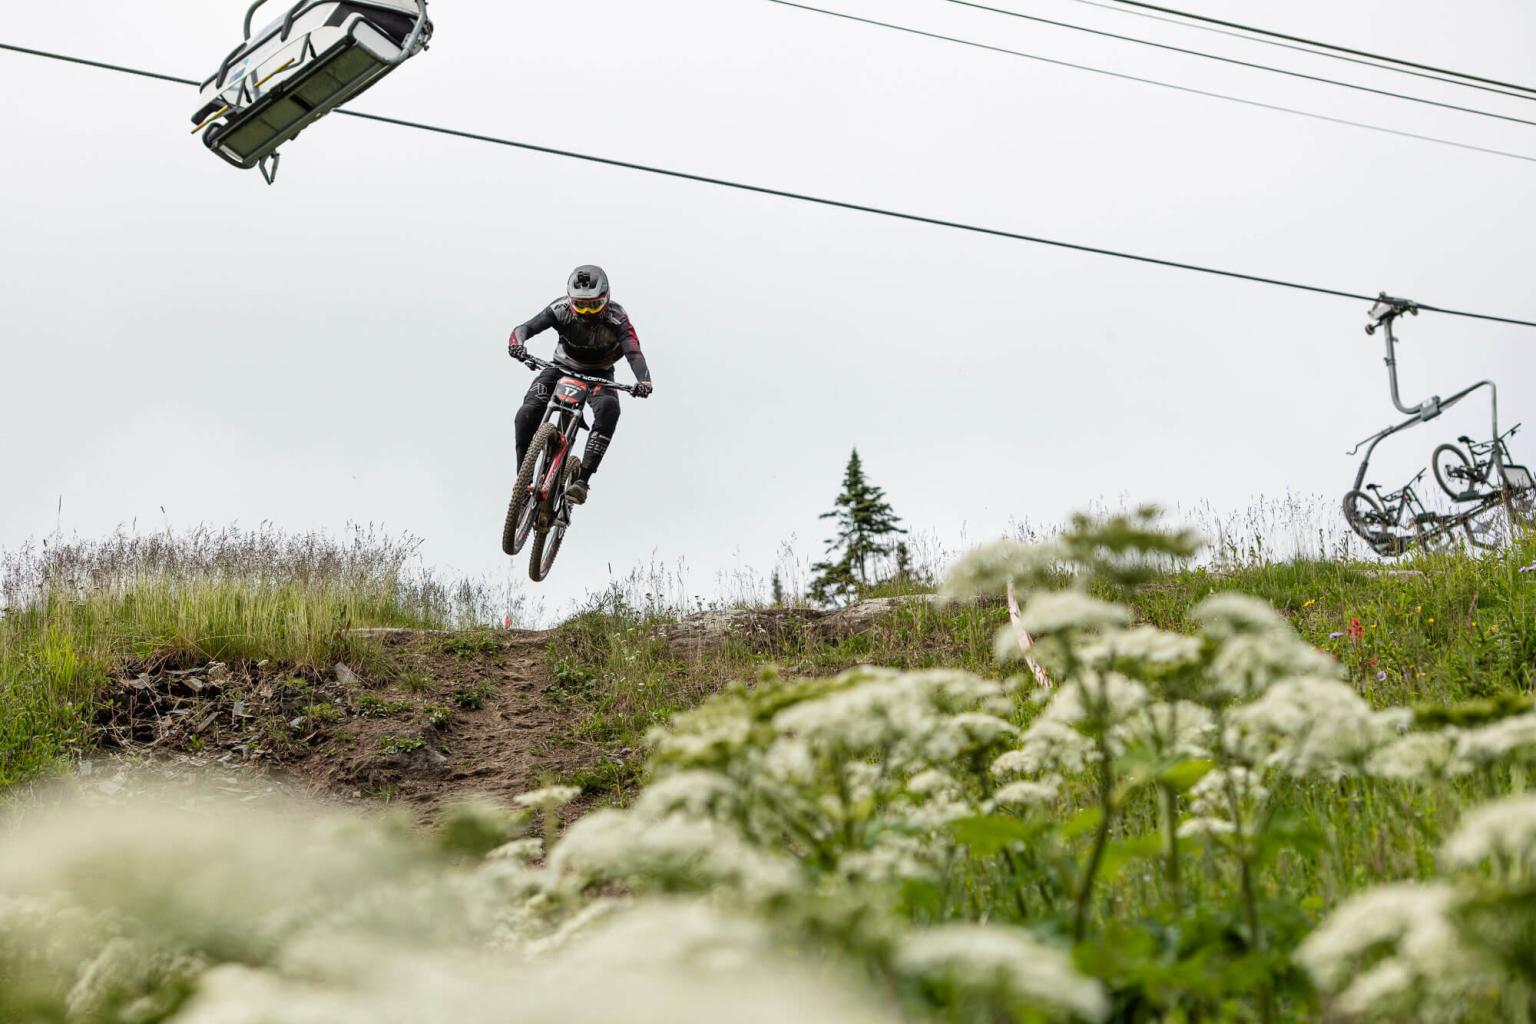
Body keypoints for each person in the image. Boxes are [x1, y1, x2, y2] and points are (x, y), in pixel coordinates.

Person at [508, 265, 653, 505]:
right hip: (560, 367)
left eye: (593, 305)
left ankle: (582, 481)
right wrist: (517, 344)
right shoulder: (560, 309)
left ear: (606, 300)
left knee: (609, 409)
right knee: (526, 413)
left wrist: (643, 380)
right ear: (570, 299)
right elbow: (524, 328)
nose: (586, 312)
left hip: (600, 374)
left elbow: (633, 352)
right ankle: (522, 481)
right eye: (581, 305)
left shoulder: (618, 318)